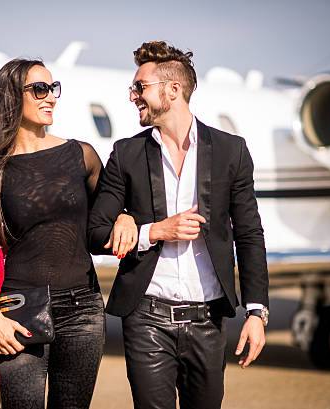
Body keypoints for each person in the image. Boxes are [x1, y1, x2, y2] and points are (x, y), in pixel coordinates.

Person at [88, 41, 270, 409]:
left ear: (172, 90)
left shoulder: (231, 151)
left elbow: (249, 234)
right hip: (146, 318)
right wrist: (154, 231)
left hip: (209, 320)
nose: (132, 96)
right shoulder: (126, 154)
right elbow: (95, 231)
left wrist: (256, 311)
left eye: (140, 87)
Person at [0, 58, 135, 408]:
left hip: (83, 310)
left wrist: (125, 218)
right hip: (17, 312)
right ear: (12, 96)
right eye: (39, 89)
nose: (50, 96)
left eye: (53, 88)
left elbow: (105, 219)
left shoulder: (81, 156)